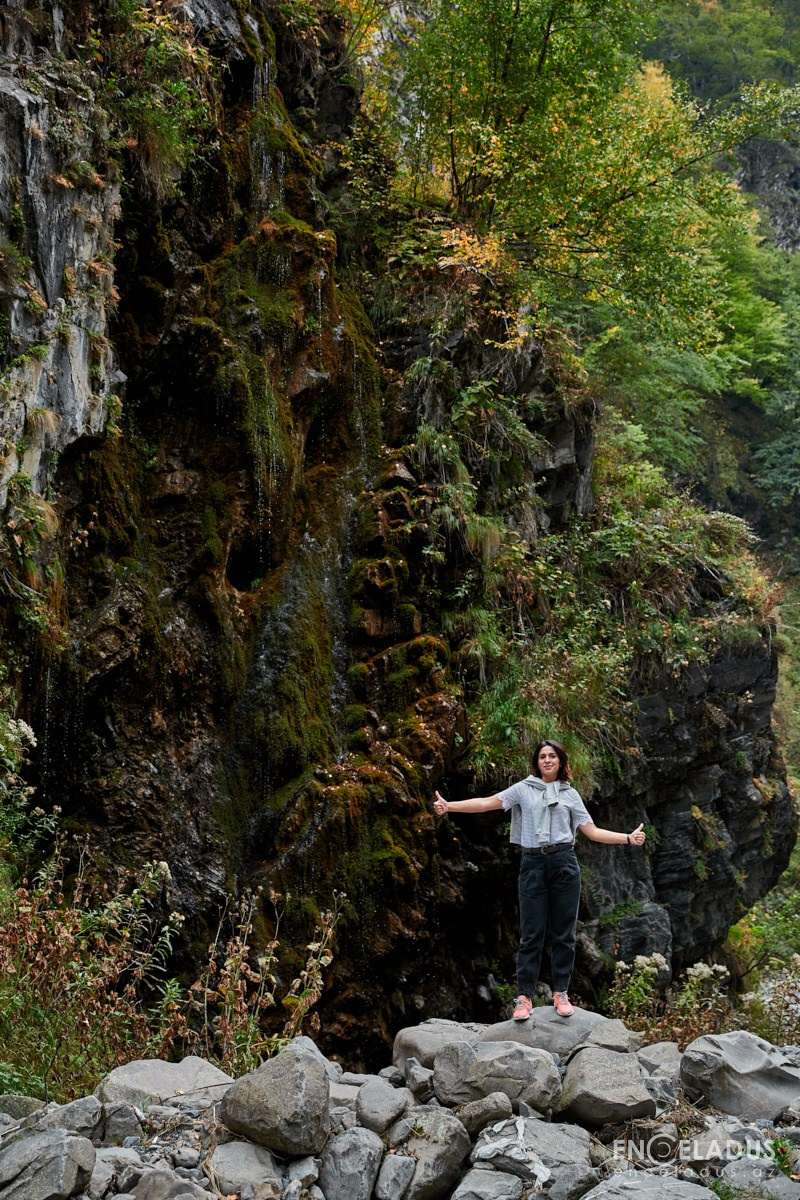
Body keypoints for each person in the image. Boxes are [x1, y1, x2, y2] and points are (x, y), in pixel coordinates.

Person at [433, 739, 645, 1020]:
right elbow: (487, 803)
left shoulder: (570, 796)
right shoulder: (523, 789)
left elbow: (592, 832)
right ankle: (524, 997)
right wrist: (450, 807)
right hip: (532, 862)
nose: (547, 760)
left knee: (564, 933)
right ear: (537, 762)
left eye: (552, 756)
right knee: (531, 933)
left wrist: (628, 838)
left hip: (564, 863)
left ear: (560, 762)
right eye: (542, 756)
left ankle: (560, 993)